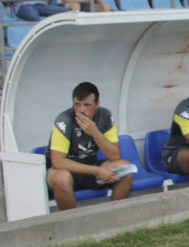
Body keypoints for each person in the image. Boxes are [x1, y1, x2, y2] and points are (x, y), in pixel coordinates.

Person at [45, 81, 134, 211]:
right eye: (77, 104)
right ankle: (72, 224)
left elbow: (114, 155)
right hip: (63, 171)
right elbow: (58, 163)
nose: (81, 110)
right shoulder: (63, 120)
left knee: (125, 168)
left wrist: (95, 132)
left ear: (97, 104)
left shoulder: (105, 116)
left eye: (87, 105)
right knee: (61, 178)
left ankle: (114, 215)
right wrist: (97, 171)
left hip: (89, 166)